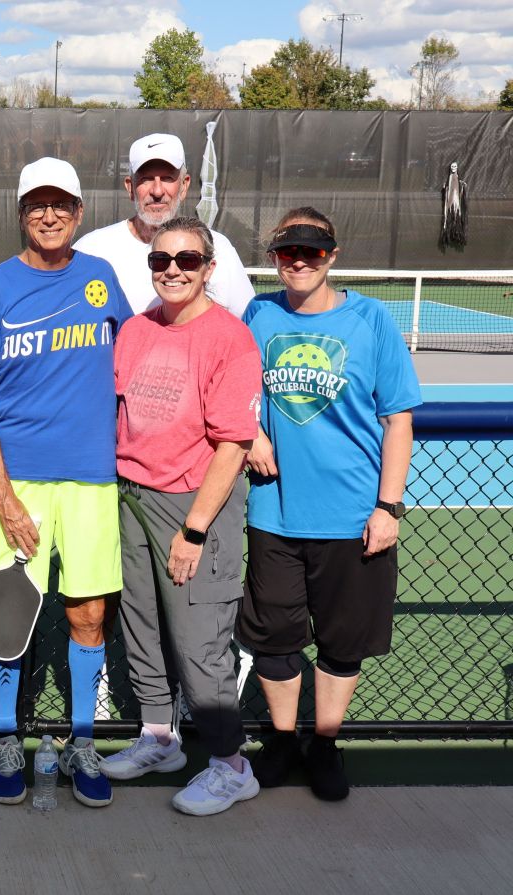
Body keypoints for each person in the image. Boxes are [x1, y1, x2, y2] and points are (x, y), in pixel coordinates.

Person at [0, 157, 132, 808]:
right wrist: (1, 495)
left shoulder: (101, 278)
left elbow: (135, 359)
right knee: (5, 614)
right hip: (16, 482)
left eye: (61, 204)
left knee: (88, 613)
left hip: (90, 479)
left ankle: (83, 740)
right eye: (38, 204)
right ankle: (7, 738)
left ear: (79, 213)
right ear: (21, 213)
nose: (50, 214)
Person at [238, 207, 420, 801]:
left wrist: (388, 508)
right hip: (274, 512)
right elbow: (233, 390)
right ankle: (282, 741)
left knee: (342, 644)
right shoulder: (258, 314)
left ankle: (323, 743)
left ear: (332, 256)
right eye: (287, 251)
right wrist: (251, 433)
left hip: (352, 517)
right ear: (274, 258)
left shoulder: (371, 319)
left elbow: (397, 420)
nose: (299, 261)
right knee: (275, 638)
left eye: (311, 251)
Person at [103, 216, 262, 816]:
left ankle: (231, 765)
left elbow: (233, 443)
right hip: (132, 496)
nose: (172, 270)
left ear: (208, 268)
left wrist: (194, 529)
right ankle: (159, 739)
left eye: (187, 260)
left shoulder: (229, 339)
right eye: (160, 260)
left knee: (200, 642)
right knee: (141, 623)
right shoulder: (137, 329)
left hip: (194, 506)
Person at [75, 132, 254, 317]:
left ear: (184, 186)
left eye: (167, 178)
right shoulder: (92, 249)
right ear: (130, 187)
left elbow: (249, 322)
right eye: (146, 179)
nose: (157, 191)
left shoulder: (219, 248)